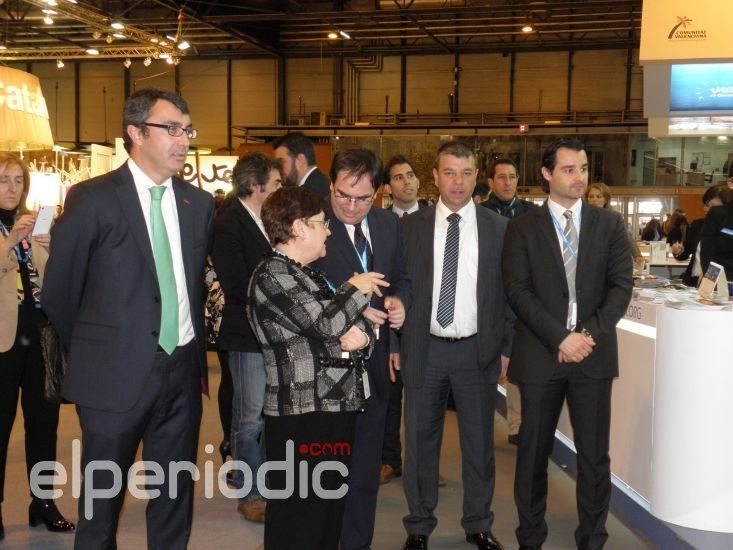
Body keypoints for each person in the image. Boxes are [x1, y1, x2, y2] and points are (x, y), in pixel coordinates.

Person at [43, 88, 214, 548]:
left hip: (181, 370)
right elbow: (60, 292)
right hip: (111, 374)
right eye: (171, 129)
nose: (183, 140)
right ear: (136, 133)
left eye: (187, 130)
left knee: (174, 495)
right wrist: (99, 349)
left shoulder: (198, 205)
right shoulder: (93, 198)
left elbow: (190, 285)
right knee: (102, 503)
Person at [502, 137, 633, 550]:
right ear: (547, 173)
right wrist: (560, 337)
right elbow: (517, 291)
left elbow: (621, 287)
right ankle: (530, 537)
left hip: (592, 357)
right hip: (541, 354)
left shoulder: (608, 225)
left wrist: (586, 336)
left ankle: (592, 538)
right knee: (533, 453)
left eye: (584, 169)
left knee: (594, 456)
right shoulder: (523, 227)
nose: (580, 178)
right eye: (569, 169)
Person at [247, 186, 387, 550]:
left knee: (327, 513)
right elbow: (327, 325)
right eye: (322, 222)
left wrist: (363, 334)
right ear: (298, 228)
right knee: (299, 517)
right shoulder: (273, 274)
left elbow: (352, 327)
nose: (328, 230)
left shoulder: (308, 274)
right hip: (301, 414)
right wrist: (355, 288)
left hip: (330, 407)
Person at [400, 141, 514, 550]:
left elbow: (510, 294)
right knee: (419, 443)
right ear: (435, 177)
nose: (458, 182)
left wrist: (506, 347)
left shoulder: (498, 228)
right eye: (449, 172)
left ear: (477, 177)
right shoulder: (410, 227)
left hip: (476, 351)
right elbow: (399, 288)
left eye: (466, 173)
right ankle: (418, 526)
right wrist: (396, 344)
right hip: (424, 349)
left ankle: (478, 523)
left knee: (479, 444)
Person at [313, 148, 411, 550]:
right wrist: (350, 304)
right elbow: (297, 291)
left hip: (376, 366)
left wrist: (399, 302)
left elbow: (402, 278)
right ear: (330, 185)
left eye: (363, 198)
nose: (352, 207)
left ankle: (357, 542)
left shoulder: (388, 224)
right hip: (326, 369)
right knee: (325, 466)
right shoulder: (311, 223)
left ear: (379, 193)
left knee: (366, 468)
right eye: (343, 195)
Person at [0, 153, 74, 541]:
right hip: (3, 341)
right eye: (3, 180)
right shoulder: (12, 231)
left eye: (18, 180)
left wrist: (48, 246)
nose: (12, 188)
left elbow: (53, 279)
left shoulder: (32, 224)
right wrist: (9, 244)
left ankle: (43, 502)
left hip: (41, 335)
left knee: (44, 424)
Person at [211, 151, 282, 522]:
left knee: (272, 415)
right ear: (256, 186)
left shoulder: (271, 219)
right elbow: (236, 285)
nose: (281, 188)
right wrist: (281, 292)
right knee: (249, 418)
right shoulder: (229, 224)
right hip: (247, 335)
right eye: (276, 183)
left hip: (276, 335)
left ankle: (269, 483)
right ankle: (250, 491)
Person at [480, 157, 535, 446]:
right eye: (501, 177)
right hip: (490, 298)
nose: (508, 182)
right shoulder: (480, 214)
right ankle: (480, 426)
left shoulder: (531, 213)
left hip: (523, 298)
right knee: (488, 366)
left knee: (518, 362)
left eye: (512, 176)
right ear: (491, 182)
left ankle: (517, 424)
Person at [675, 184, 730, 286]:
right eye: (706, 205)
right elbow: (684, 253)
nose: (706, 209)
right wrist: (677, 251)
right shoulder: (697, 225)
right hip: (692, 282)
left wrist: (709, 280)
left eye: (712, 206)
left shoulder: (728, 231)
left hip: (716, 283)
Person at [585, 182, 644, 273]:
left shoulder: (613, 217)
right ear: (587, 199)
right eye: (591, 197)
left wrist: (637, 254)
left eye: (598, 196)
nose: (594, 200)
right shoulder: (582, 216)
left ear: (605, 199)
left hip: (607, 260)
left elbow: (626, 236)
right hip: (587, 260)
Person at [273, 132, 330, 197]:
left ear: (300, 160)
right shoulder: (321, 182)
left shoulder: (307, 194)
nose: (278, 168)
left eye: (281, 162)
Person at [701, 186, 733, 280]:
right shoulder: (717, 215)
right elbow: (708, 254)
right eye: (707, 205)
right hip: (723, 279)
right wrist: (711, 280)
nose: (706, 209)